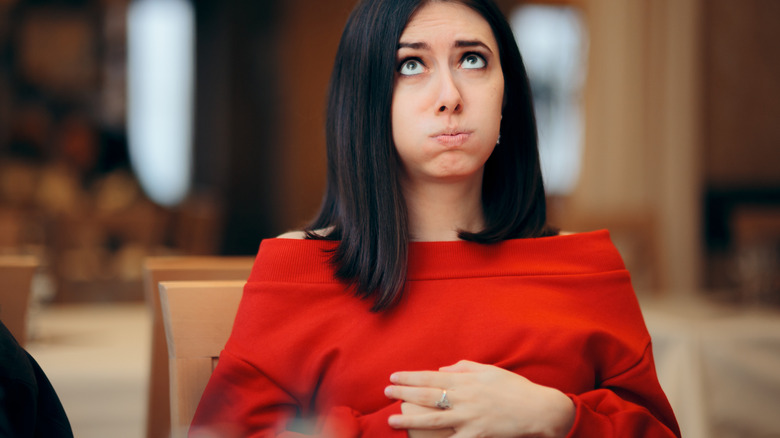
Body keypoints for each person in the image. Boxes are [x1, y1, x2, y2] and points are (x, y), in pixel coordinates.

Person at [191, 0, 681, 437]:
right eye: (410, 64)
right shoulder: (299, 269)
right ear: (367, 99)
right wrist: (420, 424)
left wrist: (558, 417)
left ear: (506, 94)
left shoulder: (585, 267)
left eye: (472, 60)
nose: (450, 96)